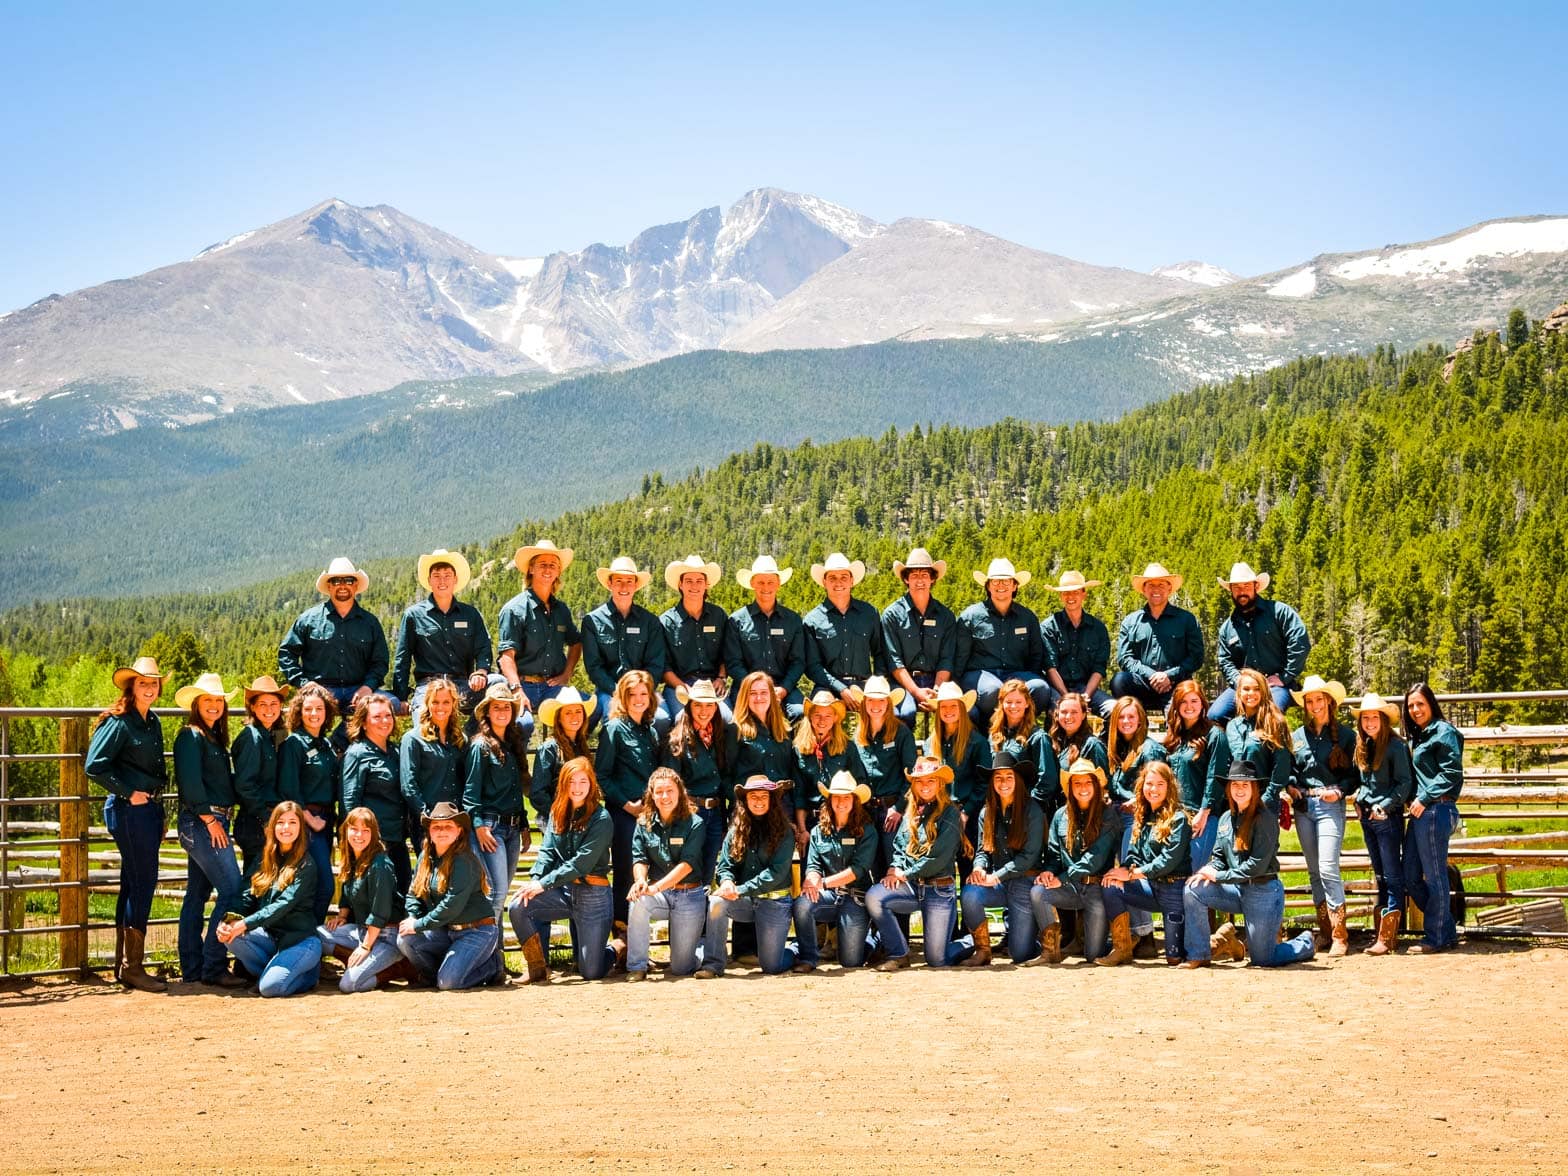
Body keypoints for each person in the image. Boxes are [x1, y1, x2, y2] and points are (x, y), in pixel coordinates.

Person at [85, 656, 169, 992]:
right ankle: (133, 966)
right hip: (128, 810)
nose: (149, 688)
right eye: (143, 683)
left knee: (133, 882)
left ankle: (125, 964)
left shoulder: (153, 722)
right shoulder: (119, 722)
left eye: (153, 683)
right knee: (144, 881)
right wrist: (128, 792)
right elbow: (94, 765)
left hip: (146, 810)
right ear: (131, 687)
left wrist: (157, 810)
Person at [1181, 760, 1316, 968]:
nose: (1239, 789)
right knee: (1193, 889)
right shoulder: (1226, 818)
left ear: (1254, 788)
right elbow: (1219, 857)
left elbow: (1256, 866)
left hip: (1263, 892)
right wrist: (1208, 870)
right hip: (1236, 889)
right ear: (1229, 788)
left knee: (1263, 959)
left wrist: (1219, 876)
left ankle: (1304, 943)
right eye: (1235, 784)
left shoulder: (1265, 819)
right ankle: (1199, 954)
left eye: (1245, 785)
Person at [507, 756, 619, 983]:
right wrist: (535, 881)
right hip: (564, 891)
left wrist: (543, 884)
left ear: (591, 784)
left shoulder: (602, 818)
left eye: (583, 782)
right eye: (572, 782)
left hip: (593, 896)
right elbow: (547, 852)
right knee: (519, 905)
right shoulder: (556, 812)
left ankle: (618, 947)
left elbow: (581, 864)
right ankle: (538, 967)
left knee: (591, 972)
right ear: (564, 784)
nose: (577, 788)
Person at [173, 672, 245, 987]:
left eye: (218, 701)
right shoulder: (191, 736)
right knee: (232, 889)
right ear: (196, 704)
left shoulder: (212, 737)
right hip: (205, 820)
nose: (215, 706)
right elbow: (189, 782)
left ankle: (193, 967)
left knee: (198, 893)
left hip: (209, 819)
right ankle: (213, 963)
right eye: (208, 701)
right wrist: (210, 819)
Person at [277, 557, 392, 743]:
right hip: (320, 689)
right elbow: (286, 654)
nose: (342, 586)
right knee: (311, 711)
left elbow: (380, 662)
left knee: (390, 705)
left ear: (355, 585)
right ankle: (320, 749)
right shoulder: (309, 620)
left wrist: (368, 686)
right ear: (329, 586)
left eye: (348, 580)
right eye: (336, 581)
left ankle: (339, 749)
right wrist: (304, 683)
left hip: (358, 689)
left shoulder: (370, 623)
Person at [216, 801, 322, 996]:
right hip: (271, 939)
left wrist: (245, 924)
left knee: (270, 988)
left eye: (292, 822)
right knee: (231, 937)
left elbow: (283, 905)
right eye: (280, 822)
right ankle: (278, 969)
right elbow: (244, 895)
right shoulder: (263, 858)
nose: (286, 828)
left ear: (301, 827)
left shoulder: (306, 865)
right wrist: (230, 921)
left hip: (300, 941)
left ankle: (308, 976)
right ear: (273, 827)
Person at [865, 757, 962, 971]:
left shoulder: (950, 814)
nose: (925, 786)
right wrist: (893, 868)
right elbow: (900, 846)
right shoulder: (910, 812)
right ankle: (899, 953)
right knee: (874, 896)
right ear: (913, 785)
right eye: (919, 781)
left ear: (940, 784)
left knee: (936, 960)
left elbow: (938, 859)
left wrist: (904, 873)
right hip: (912, 886)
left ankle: (972, 942)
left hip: (938, 888)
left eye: (930, 781)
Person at [698, 777, 797, 977]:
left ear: (772, 800)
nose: (758, 801)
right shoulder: (736, 830)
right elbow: (725, 865)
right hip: (744, 901)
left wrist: (739, 889)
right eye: (753, 796)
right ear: (745, 800)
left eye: (763, 796)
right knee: (717, 901)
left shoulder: (785, 832)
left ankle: (795, 950)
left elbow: (776, 874)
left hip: (774, 901)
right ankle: (713, 965)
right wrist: (726, 881)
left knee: (771, 967)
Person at [464, 683, 532, 978]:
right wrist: (478, 826)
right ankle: (494, 964)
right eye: (496, 707)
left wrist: (526, 825)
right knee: (496, 894)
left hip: (513, 827)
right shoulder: (480, 746)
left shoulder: (513, 744)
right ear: (487, 713)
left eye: (506, 706)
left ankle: (494, 961)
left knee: (499, 895)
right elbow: (470, 793)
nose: (502, 711)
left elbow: (517, 792)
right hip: (490, 826)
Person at [397, 802, 502, 990]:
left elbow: (451, 904)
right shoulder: (425, 857)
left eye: (448, 826)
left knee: (450, 983)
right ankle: (432, 976)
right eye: (436, 826)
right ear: (429, 831)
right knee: (405, 938)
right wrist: (413, 916)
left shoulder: (464, 860)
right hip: (446, 930)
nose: (441, 831)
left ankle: (492, 966)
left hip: (476, 931)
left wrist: (419, 925)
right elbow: (413, 893)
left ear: (459, 831)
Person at [1289, 676, 1356, 957]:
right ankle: (1327, 932)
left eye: (1319, 699)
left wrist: (1340, 792)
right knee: (1315, 870)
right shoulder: (1296, 737)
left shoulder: (1347, 735)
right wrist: (1291, 785)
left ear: (1329, 701)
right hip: (1304, 805)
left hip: (1330, 804)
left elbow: (1355, 775)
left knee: (1328, 866)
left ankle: (1340, 934)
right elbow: (1290, 769)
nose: (1315, 705)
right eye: (1310, 700)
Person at [1100, 762, 1191, 966]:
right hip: (1148, 888)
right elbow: (1133, 853)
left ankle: (1220, 940)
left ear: (1169, 787)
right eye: (1149, 783)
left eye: (1160, 784)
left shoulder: (1179, 819)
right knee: (1110, 885)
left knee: (1174, 958)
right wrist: (1124, 869)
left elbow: (1167, 861)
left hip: (1173, 889)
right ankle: (1122, 948)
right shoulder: (1140, 816)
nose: (1154, 789)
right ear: (1142, 787)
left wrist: (1132, 875)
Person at [959, 748, 1044, 966]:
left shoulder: (1032, 810)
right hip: (997, 883)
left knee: (1020, 955)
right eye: (998, 777)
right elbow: (982, 851)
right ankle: (983, 950)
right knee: (969, 893)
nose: (1003, 782)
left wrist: (995, 876)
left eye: (1009, 777)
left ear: (1018, 780)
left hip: (1024, 882)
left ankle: (1040, 940)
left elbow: (1029, 857)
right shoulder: (987, 812)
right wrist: (978, 868)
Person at [392, 549, 499, 718]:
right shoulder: (413, 615)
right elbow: (402, 660)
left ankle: (469, 739)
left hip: (463, 686)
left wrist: (481, 672)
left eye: (447, 575)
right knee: (422, 725)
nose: (442, 580)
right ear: (429, 580)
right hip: (428, 688)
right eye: (436, 575)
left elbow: (483, 648)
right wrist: (401, 697)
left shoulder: (470, 614)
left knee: (499, 684)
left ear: (455, 579)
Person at [1029, 759, 1117, 964]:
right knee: (1038, 892)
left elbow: (1094, 859)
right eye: (1077, 783)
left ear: (1096, 785)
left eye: (1088, 782)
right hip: (1069, 888)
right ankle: (1050, 950)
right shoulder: (1060, 815)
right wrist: (1049, 871)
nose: (1083, 788)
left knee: (1093, 955)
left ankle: (1111, 939)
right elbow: (1053, 855)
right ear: (1070, 787)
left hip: (1096, 888)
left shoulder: (1108, 815)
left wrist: (1062, 877)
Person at [496, 539, 581, 748]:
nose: (547, 569)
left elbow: (576, 643)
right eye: (542, 564)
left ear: (558, 571)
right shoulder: (514, 609)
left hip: (553, 686)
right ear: (531, 569)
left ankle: (568, 770)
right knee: (522, 724)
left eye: (553, 565)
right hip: (523, 684)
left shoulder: (561, 610)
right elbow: (506, 657)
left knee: (589, 710)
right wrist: (516, 689)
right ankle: (518, 775)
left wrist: (566, 674)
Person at [626, 767, 708, 980]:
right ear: (651, 795)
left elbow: (687, 865)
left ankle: (702, 948)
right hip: (660, 895)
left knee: (681, 968)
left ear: (679, 792)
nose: (664, 796)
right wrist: (641, 881)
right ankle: (637, 966)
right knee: (638, 899)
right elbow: (639, 858)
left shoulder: (695, 823)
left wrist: (654, 887)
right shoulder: (643, 823)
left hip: (689, 894)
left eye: (670, 790)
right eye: (659, 791)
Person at [594, 669, 661, 927]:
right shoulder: (613, 729)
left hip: (649, 814)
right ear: (623, 696)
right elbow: (602, 775)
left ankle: (639, 938)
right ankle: (622, 938)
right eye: (632, 694)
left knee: (645, 874)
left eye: (643, 693)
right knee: (625, 874)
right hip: (624, 815)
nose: (638, 699)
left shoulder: (650, 731)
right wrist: (626, 805)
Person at [792, 771, 878, 972]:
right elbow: (813, 865)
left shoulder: (867, 830)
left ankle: (874, 940)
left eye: (846, 797)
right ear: (829, 800)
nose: (841, 802)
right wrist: (811, 879)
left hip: (855, 897)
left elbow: (857, 870)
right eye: (836, 797)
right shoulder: (817, 831)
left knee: (850, 962)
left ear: (854, 801)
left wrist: (822, 883)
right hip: (829, 896)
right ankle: (807, 957)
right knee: (802, 904)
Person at [1403, 682, 1465, 955]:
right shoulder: (1419, 736)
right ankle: (1446, 927)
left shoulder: (1444, 732)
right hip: (1421, 811)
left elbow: (1451, 773)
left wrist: (1424, 797)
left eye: (1420, 704)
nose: (1415, 710)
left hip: (1436, 808)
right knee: (1410, 875)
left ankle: (1437, 936)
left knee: (1435, 875)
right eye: (1411, 706)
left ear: (1431, 704)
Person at [1350, 692, 1414, 957]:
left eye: (1374, 717)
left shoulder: (1396, 747)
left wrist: (1384, 805)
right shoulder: (1364, 745)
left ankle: (1387, 937)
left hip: (1386, 816)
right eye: (1365, 718)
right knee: (1380, 872)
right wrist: (1359, 799)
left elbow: (1404, 783)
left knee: (1391, 873)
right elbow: (1364, 782)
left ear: (1383, 719)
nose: (1369, 722)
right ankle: (1385, 933)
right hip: (1368, 815)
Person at [1210, 562, 1311, 722]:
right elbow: (1225, 661)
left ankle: (1271, 746)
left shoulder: (1279, 612)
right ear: (1230, 590)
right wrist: (1239, 682)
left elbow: (1300, 643)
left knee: (1270, 716)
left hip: (1277, 685)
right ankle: (1238, 745)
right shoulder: (1227, 627)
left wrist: (1285, 676)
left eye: (1246, 585)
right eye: (1236, 587)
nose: (1241, 591)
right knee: (1215, 716)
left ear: (1256, 586)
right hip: (1243, 687)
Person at [318, 807, 406, 992]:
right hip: (361, 931)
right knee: (317, 935)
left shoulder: (380, 865)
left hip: (386, 937)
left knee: (349, 984)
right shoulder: (353, 858)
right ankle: (359, 962)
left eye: (366, 830)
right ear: (345, 830)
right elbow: (347, 893)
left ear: (374, 834)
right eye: (354, 829)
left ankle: (394, 969)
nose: (359, 835)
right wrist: (342, 915)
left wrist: (365, 947)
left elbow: (380, 912)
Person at [581, 556, 671, 735]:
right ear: (610, 584)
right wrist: (620, 692)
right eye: (618, 581)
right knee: (614, 719)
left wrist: (639, 692)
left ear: (636, 585)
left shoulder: (650, 622)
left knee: (661, 719)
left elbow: (655, 664)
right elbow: (594, 667)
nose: (624, 587)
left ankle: (653, 761)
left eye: (629, 581)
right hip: (609, 691)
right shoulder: (592, 621)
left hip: (644, 692)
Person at [956, 557, 1051, 722]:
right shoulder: (971, 616)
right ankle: (996, 733)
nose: (1001, 586)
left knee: (1040, 688)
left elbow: (1036, 655)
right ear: (988, 586)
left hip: (1017, 674)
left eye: (1006, 581)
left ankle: (1020, 730)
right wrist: (955, 686)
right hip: (979, 675)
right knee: (994, 691)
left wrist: (1027, 680)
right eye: (995, 581)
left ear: (1015, 586)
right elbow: (960, 656)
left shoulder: (1027, 618)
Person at [661, 679, 737, 884]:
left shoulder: (722, 735)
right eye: (698, 705)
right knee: (688, 872)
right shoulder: (677, 739)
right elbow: (672, 783)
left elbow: (725, 777)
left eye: (709, 705)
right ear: (689, 706)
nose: (704, 711)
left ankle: (703, 915)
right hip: (690, 812)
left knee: (708, 870)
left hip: (716, 811)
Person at [277, 684, 341, 924]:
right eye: (308, 709)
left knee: (318, 885)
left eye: (319, 709)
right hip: (306, 824)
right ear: (298, 712)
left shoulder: (325, 745)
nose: (314, 714)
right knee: (323, 885)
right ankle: (306, 939)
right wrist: (309, 818)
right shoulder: (294, 744)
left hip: (325, 822)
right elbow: (288, 788)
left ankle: (308, 941)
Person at [1111, 562, 1203, 711]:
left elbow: (1196, 657)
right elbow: (1125, 658)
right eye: (1151, 585)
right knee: (1119, 681)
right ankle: (1133, 728)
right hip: (1141, 683)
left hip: (1176, 683)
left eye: (1161, 584)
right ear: (1144, 589)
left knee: (1177, 724)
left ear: (1169, 588)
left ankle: (1177, 730)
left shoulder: (1187, 620)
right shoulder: (1130, 621)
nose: (1156, 589)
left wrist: (1169, 676)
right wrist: (1152, 675)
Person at [341, 695, 410, 892]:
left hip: (396, 837)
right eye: (377, 716)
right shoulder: (357, 753)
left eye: (388, 715)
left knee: (402, 894)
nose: (385, 721)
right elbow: (350, 801)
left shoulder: (396, 751)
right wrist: (359, 840)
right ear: (363, 722)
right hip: (372, 841)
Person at [723, 556, 807, 720]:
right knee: (734, 720)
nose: (766, 587)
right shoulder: (736, 620)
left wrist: (784, 689)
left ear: (778, 584)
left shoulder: (793, 620)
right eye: (761, 582)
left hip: (782, 686)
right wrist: (756, 689)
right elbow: (733, 663)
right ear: (752, 584)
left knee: (800, 713)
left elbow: (798, 661)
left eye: (770, 582)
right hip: (746, 686)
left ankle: (790, 747)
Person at [880, 547, 958, 724]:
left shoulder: (945, 616)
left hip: (937, 681)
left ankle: (946, 751)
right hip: (903, 682)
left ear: (932, 579)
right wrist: (916, 691)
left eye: (924, 574)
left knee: (960, 713)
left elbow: (947, 658)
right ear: (906, 579)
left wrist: (937, 691)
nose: (919, 580)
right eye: (914, 575)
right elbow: (894, 661)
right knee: (905, 714)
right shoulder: (892, 615)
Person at [803, 552, 887, 711]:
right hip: (828, 686)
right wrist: (841, 689)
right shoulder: (812, 620)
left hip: (865, 685)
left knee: (888, 715)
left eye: (843, 577)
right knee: (819, 712)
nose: (838, 582)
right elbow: (813, 666)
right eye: (832, 578)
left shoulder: (869, 613)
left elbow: (880, 653)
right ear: (824, 582)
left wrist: (876, 684)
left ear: (852, 581)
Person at [852, 676, 918, 870]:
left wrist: (899, 808)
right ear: (864, 703)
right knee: (872, 866)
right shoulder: (858, 736)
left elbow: (911, 776)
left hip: (893, 811)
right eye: (871, 700)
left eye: (881, 700)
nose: (876, 705)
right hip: (867, 813)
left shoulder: (901, 733)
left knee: (895, 866)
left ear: (888, 703)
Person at [1207, 668, 1293, 814]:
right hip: (1236, 800)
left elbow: (1282, 766)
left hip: (1263, 801)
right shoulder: (1232, 726)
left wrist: (1267, 798)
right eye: (1246, 689)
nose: (1251, 693)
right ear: (1239, 693)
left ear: (1264, 692)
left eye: (1256, 689)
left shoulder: (1275, 723)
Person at [928, 681, 992, 874]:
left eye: (953, 705)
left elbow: (984, 782)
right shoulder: (931, 743)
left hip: (968, 814)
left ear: (962, 708)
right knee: (939, 870)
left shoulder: (977, 742)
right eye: (943, 706)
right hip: (938, 814)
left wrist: (966, 812)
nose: (948, 710)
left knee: (967, 869)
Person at [659, 555, 731, 722]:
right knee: (681, 720)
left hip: (712, 684)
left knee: (727, 720)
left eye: (699, 581)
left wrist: (721, 678)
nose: (694, 586)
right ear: (680, 584)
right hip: (679, 685)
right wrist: (682, 687)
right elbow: (664, 666)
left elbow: (727, 653)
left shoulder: (718, 616)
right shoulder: (666, 622)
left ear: (706, 585)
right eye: (689, 581)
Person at [792, 688, 867, 848]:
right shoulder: (798, 749)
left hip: (842, 818)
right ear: (810, 716)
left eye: (827, 715)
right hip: (811, 822)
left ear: (835, 718)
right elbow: (799, 793)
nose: (822, 720)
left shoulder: (848, 747)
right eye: (817, 715)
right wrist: (803, 829)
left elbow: (860, 783)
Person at [231, 676, 288, 879]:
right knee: (256, 879)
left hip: (264, 818)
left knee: (264, 878)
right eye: (262, 704)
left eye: (274, 703)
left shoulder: (270, 736)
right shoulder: (252, 737)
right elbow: (245, 785)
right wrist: (266, 819)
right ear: (253, 707)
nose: (269, 709)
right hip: (255, 821)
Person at [1162, 681, 1221, 874]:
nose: (1189, 706)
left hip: (1201, 817)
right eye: (1184, 702)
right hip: (1174, 817)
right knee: (1173, 876)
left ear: (1203, 704)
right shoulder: (1174, 737)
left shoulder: (1214, 735)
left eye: (1194, 701)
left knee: (1191, 875)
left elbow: (1215, 776)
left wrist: (1204, 813)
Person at [399, 676, 465, 845]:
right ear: (427, 703)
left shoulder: (460, 739)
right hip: (426, 822)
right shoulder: (413, 739)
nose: (440, 707)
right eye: (435, 702)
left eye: (446, 702)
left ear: (453, 704)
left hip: (455, 820)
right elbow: (408, 785)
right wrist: (426, 816)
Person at [1040, 570, 1113, 718]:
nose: (1070, 597)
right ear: (1060, 596)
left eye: (1075, 592)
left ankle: (1104, 740)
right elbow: (1050, 667)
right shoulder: (1049, 627)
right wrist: (1067, 698)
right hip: (1057, 689)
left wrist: (1086, 695)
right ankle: (1054, 741)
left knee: (1115, 709)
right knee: (1062, 713)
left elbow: (1099, 668)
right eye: (1066, 593)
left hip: (1086, 689)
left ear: (1084, 594)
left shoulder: (1098, 628)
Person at [530, 686, 594, 832]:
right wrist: (560, 814)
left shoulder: (582, 747)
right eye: (568, 713)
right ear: (559, 718)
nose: (574, 716)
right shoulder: (549, 748)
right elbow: (538, 793)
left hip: (580, 817)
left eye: (578, 711)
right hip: (554, 817)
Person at [1044, 692, 1107, 817]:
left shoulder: (1092, 745)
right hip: (1055, 813)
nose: (1068, 716)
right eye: (1064, 712)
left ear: (1084, 714)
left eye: (1074, 712)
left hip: (1082, 814)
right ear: (1057, 714)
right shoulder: (1052, 741)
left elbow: (1104, 785)